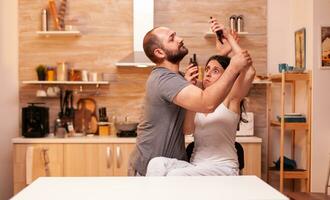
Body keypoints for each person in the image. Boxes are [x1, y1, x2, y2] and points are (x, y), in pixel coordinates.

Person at [129, 18, 252, 176]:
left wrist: (222, 54)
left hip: (179, 167)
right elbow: (207, 101)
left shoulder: (180, 79)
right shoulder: (165, 79)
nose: (180, 39)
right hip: (152, 167)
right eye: (172, 38)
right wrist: (233, 65)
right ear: (159, 52)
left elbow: (216, 83)